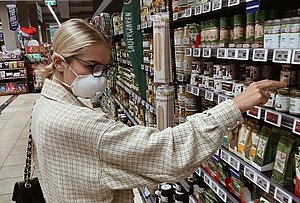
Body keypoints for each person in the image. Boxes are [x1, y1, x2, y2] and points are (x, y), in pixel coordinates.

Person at [32, 18, 286, 203]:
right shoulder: (79, 123)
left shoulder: (45, 104)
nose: (100, 77)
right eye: (92, 66)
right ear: (58, 62)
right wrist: (235, 105)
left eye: (104, 68)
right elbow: (169, 153)